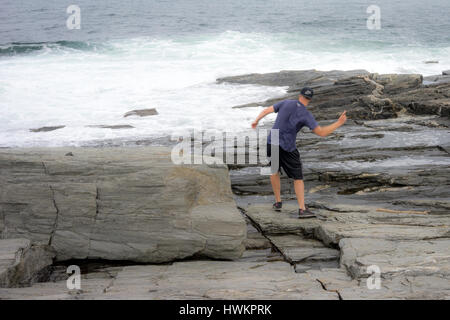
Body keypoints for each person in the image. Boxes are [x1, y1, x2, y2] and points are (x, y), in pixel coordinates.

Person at [251, 87, 347, 218]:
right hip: (287, 145)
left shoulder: (286, 102)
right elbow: (322, 132)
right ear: (310, 99)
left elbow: (267, 110)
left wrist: (256, 121)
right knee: (298, 177)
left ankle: (278, 202)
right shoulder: (306, 114)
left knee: (274, 170)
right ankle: (302, 209)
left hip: (272, 139)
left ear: (300, 95)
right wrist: (339, 123)